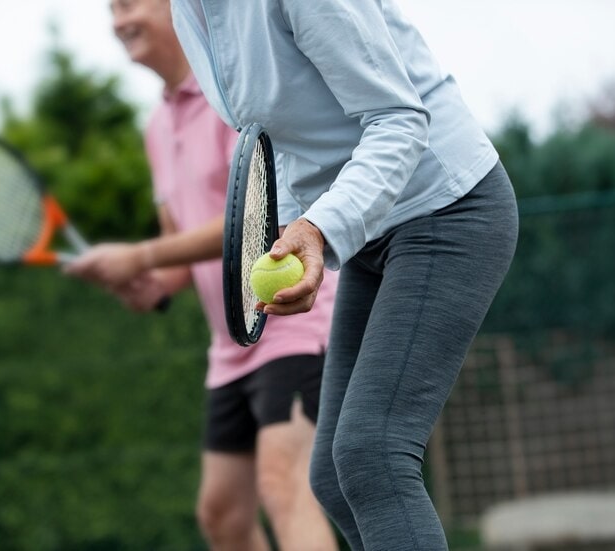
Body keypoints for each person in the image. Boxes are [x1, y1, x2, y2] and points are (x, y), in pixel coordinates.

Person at [75, 0, 519, 549]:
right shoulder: (193, 14)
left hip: (447, 205)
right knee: (332, 476)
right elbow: (277, 147)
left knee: (371, 454)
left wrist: (319, 229)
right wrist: (284, 234)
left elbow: (399, 120)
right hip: (374, 234)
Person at [67, 1, 339, 549]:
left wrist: (140, 256)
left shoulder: (232, 93)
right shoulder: (155, 127)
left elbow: (258, 217)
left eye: (128, 4)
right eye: (111, 9)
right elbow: (180, 247)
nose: (118, 21)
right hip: (228, 349)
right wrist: (149, 282)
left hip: (291, 321)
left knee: (284, 486)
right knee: (222, 513)